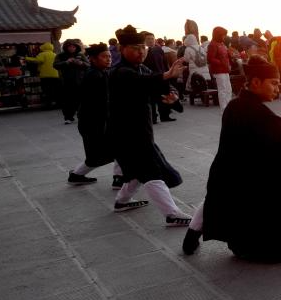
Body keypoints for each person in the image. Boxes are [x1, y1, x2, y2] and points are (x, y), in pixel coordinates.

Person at [181, 57, 281, 261]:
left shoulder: (235, 106)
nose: (277, 89)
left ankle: (190, 238)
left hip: (229, 177)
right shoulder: (254, 112)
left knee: (217, 194)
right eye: (274, 83)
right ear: (256, 82)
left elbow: (275, 140)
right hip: (251, 187)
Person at [108, 25, 191, 227]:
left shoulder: (143, 69)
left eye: (143, 47)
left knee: (137, 170)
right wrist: (166, 75)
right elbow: (142, 81)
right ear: (122, 49)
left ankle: (121, 201)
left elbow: (157, 86)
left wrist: (172, 97)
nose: (141, 51)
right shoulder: (119, 72)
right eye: (136, 48)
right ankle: (171, 213)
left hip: (141, 130)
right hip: (125, 131)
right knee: (151, 170)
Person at [67, 43, 124, 189]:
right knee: (109, 152)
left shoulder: (100, 72)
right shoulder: (95, 75)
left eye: (109, 56)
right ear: (92, 59)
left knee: (105, 153)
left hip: (94, 121)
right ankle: (118, 179)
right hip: (93, 122)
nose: (108, 59)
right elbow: (102, 102)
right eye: (104, 56)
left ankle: (77, 175)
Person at [53, 39, 88, 124]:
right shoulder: (60, 56)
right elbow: (55, 65)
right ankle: (68, 117)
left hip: (79, 81)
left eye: (73, 46)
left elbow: (88, 65)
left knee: (80, 100)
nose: (72, 48)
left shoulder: (80, 55)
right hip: (66, 81)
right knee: (67, 101)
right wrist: (66, 62)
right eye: (70, 46)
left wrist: (81, 63)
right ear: (66, 47)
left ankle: (81, 116)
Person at [143, 32, 174, 123]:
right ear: (144, 40)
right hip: (150, 77)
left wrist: (168, 72)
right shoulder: (143, 51)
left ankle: (165, 116)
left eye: (152, 38)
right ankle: (153, 118)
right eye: (148, 39)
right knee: (151, 99)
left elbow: (164, 62)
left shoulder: (158, 49)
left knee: (164, 96)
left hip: (162, 75)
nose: (150, 40)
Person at [24, 42, 60, 110]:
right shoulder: (54, 54)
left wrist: (27, 58)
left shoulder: (42, 54)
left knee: (47, 91)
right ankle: (57, 104)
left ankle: (48, 105)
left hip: (45, 75)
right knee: (55, 90)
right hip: (55, 75)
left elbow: (38, 60)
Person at [207, 26, 233, 108]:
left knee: (228, 90)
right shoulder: (213, 45)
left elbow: (225, 56)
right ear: (219, 35)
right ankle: (224, 108)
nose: (224, 36)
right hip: (219, 71)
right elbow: (210, 58)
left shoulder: (221, 44)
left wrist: (229, 62)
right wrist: (222, 63)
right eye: (223, 35)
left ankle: (228, 106)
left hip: (225, 69)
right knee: (223, 90)